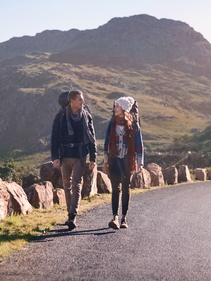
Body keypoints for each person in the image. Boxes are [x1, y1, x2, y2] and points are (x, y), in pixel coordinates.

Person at [51, 90, 96, 230]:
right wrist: (55, 157)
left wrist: (93, 158)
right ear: (72, 101)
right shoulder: (61, 116)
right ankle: (70, 213)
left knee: (76, 184)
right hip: (65, 155)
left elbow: (91, 137)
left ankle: (72, 215)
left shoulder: (86, 116)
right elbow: (54, 137)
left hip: (80, 155)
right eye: (80, 100)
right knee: (66, 184)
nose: (83, 102)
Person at [103, 96, 143, 229]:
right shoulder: (111, 123)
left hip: (128, 160)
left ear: (124, 109)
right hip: (114, 159)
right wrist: (105, 161)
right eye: (115, 106)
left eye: (118, 106)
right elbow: (106, 143)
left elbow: (139, 144)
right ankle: (114, 217)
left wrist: (140, 162)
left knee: (126, 189)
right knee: (116, 189)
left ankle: (124, 218)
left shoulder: (133, 125)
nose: (115, 109)